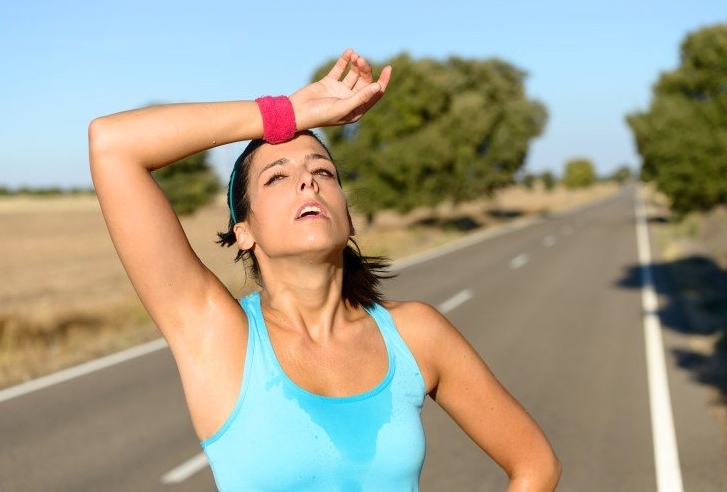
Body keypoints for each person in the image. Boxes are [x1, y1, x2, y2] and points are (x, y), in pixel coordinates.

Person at [89, 49, 561, 491]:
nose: (307, 182)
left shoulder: (416, 333)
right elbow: (113, 144)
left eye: (323, 172)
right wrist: (286, 114)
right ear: (244, 231)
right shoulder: (219, 335)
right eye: (278, 176)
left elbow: (535, 463)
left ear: (348, 217)